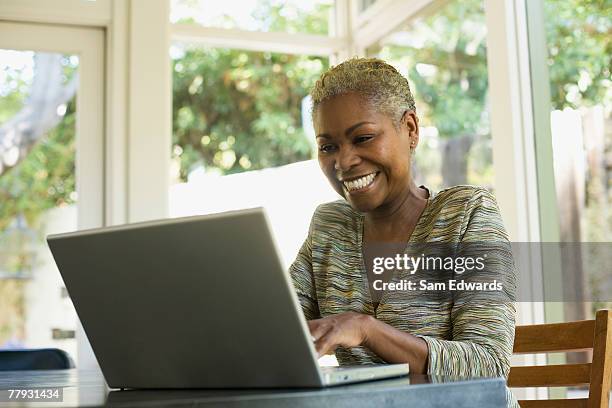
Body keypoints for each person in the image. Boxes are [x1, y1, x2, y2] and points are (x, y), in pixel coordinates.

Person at [289, 57, 518, 407]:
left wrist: (366, 329)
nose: (344, 162)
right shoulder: (330, 228)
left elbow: (488, 365)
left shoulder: (466, 215)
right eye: (328, 146)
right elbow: (278, 330)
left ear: (410, 129)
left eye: (362, 137)